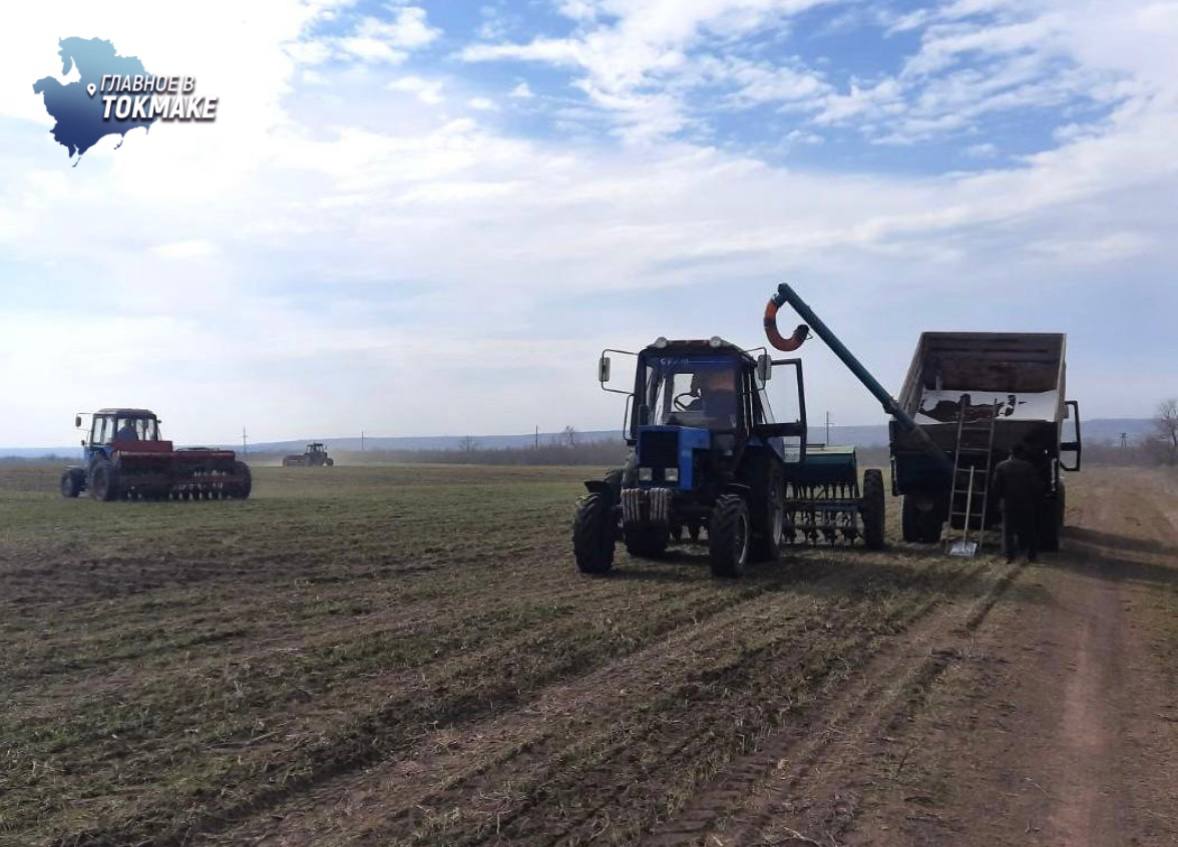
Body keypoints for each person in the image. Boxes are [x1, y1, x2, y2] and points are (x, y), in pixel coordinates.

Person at [992, 443, 1042, 563]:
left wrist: (997, 501)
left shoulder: (1001, 466)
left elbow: (996, 487)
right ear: (1022, 453)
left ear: (1010, 453)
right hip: (1026, 503)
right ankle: (1032, 556)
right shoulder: (1028, 466)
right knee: (1029, 530)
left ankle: (1009, 557)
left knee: (1007, 531)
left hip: (1008, 503)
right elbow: (1035, 486)